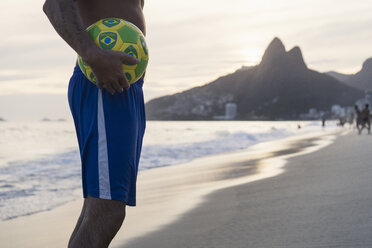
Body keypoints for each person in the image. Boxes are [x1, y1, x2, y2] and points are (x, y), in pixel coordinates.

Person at [43, 0, 146, 247]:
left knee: (98, 207)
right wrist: (92, 54)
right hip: (103, 84)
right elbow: (54, 4)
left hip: (125, 87)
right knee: (107, 210)